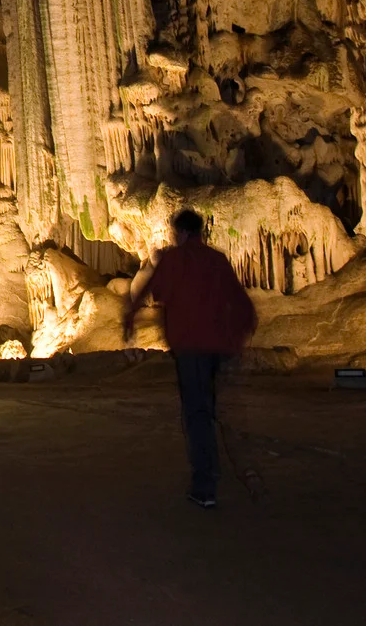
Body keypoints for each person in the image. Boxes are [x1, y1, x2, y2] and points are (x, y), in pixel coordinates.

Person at [123, 208, 258, 508]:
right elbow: (239, 298)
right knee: (215, 409)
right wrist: (245, 331)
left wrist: (131, 317)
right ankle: (227, 467)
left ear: (182, 233)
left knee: (197, 413)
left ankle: (205, 485)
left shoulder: (174, 259)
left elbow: (152, 290)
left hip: (191, 347)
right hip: (223, 347)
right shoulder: (217, 259)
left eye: (175, 233)